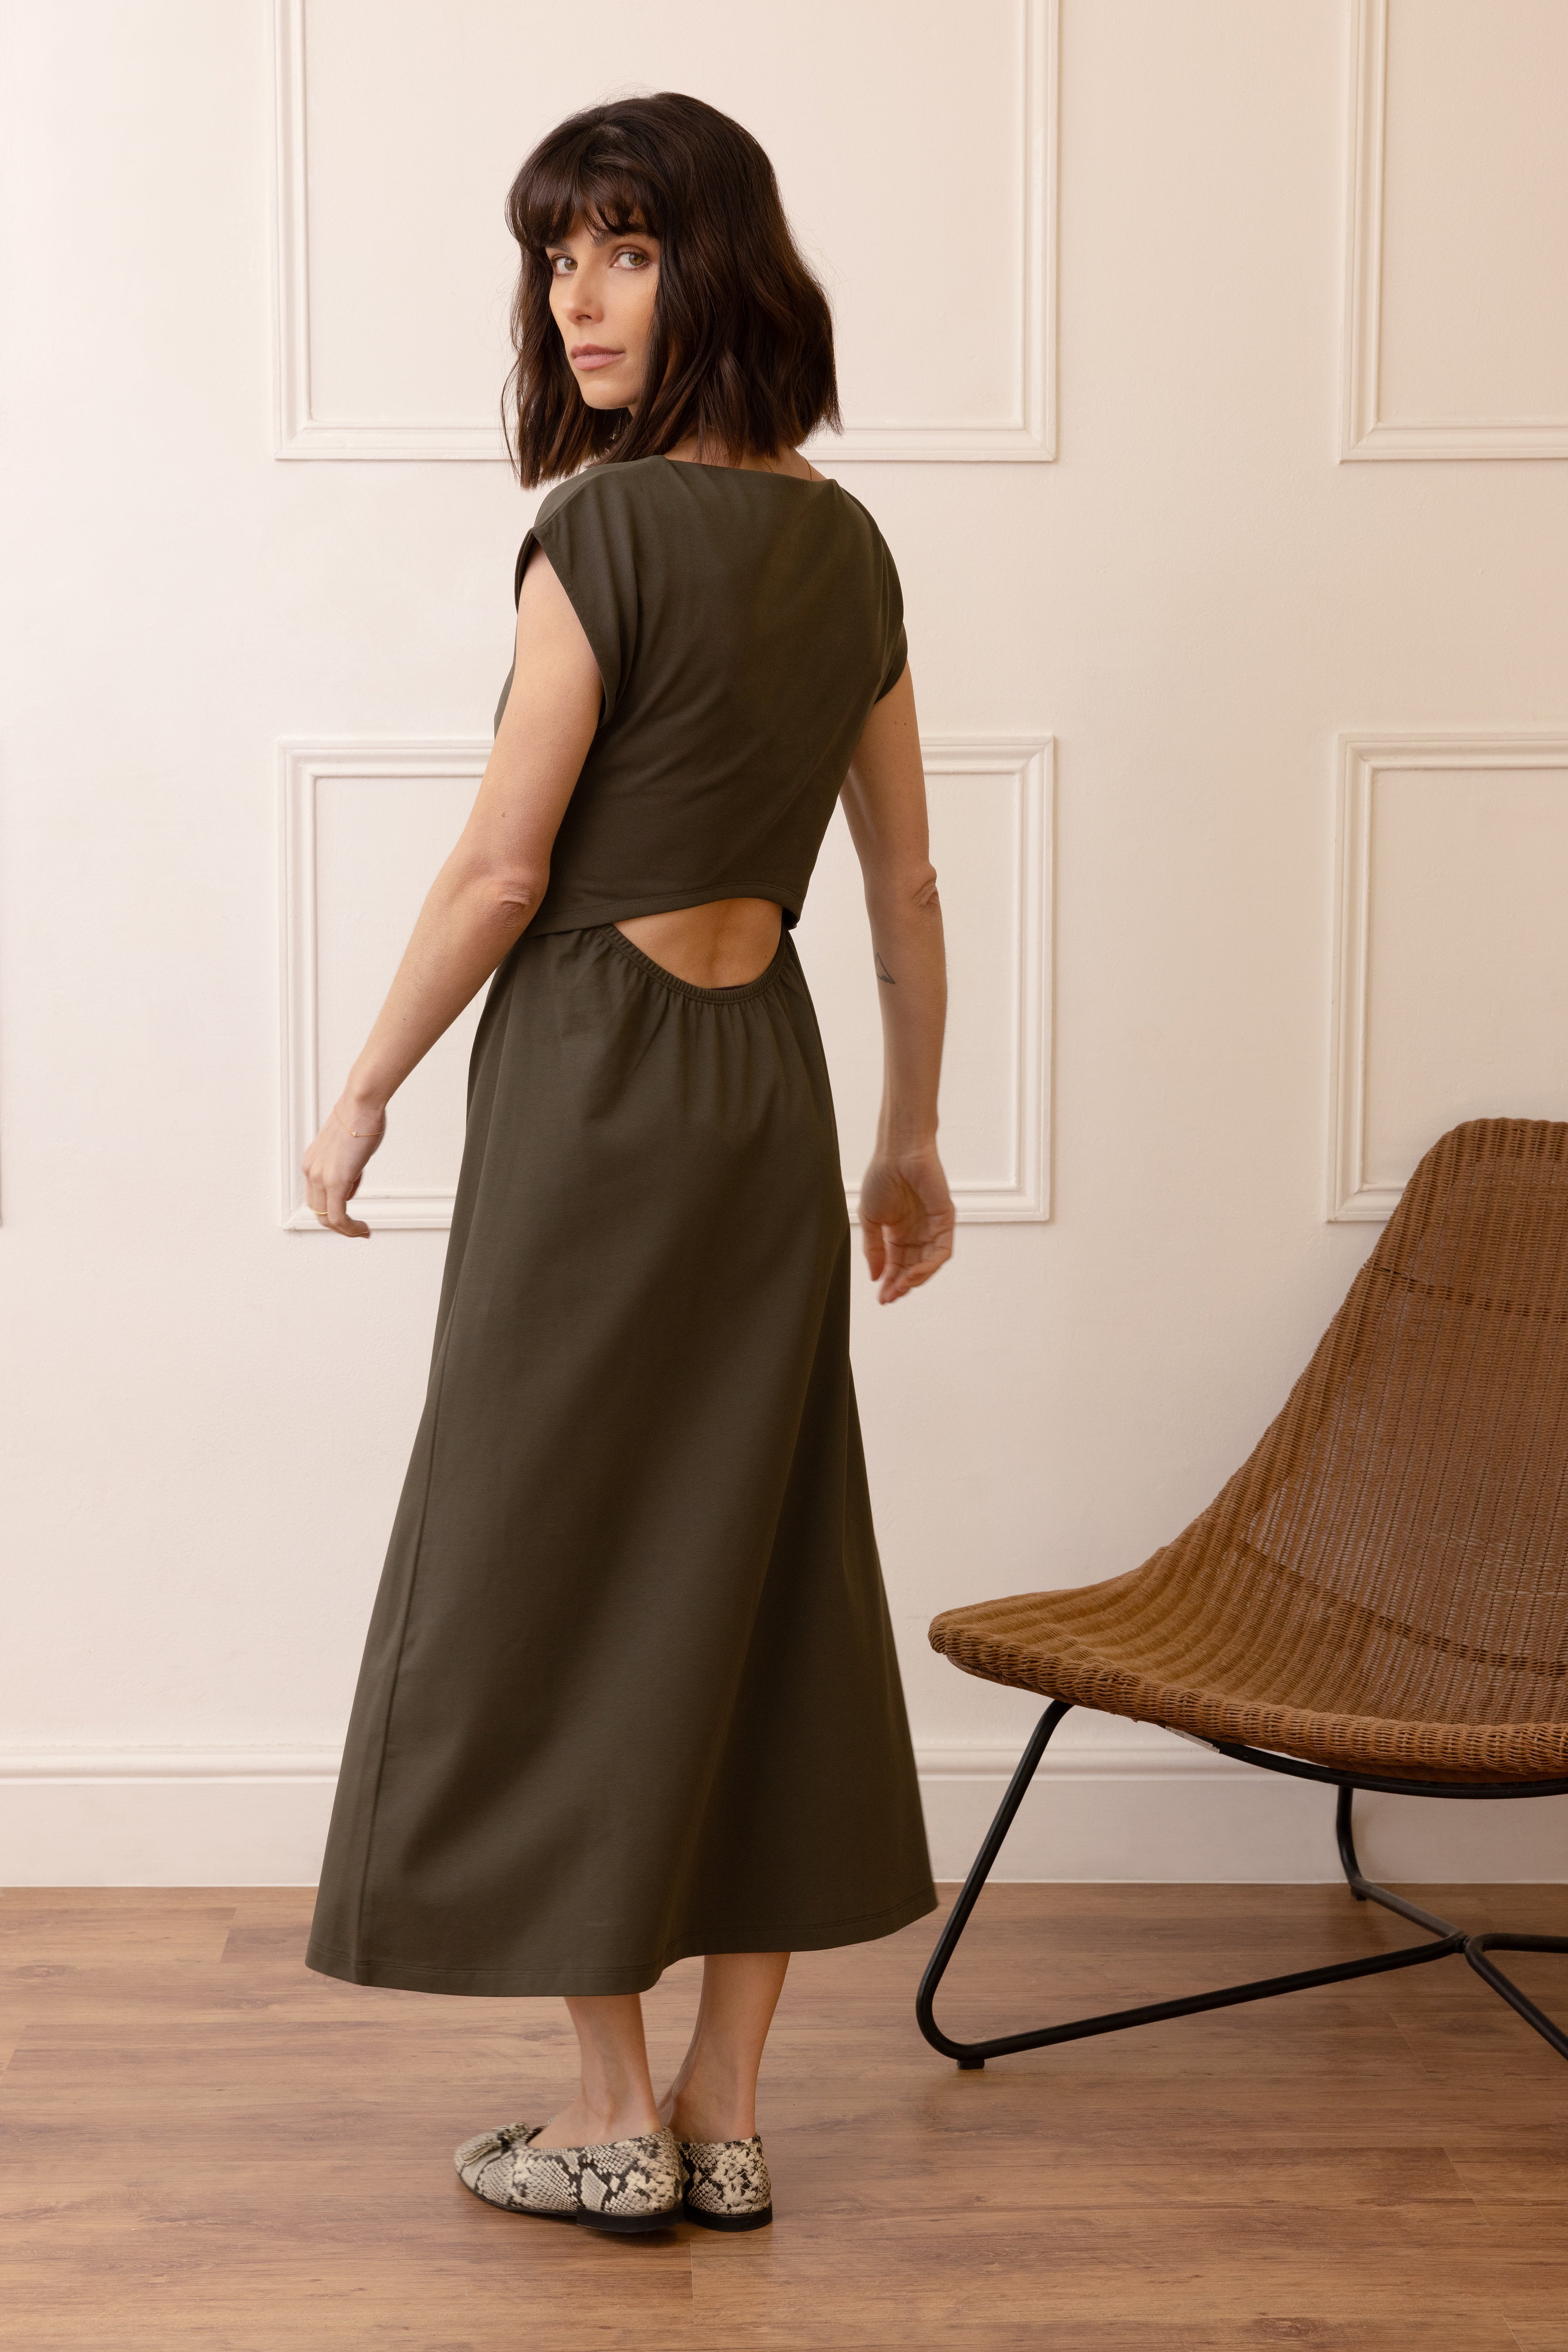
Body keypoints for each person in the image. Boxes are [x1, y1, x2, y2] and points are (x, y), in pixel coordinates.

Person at [302, 91, 953, 2238]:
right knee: (760, 1560)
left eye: (624, 249)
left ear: (716, 268)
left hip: (591, 1078)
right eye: (555, 256)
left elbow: (504, 873)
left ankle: (612, 2115)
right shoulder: (850, 551)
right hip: (764, 1083)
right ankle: (730, 2106)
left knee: (563, 1554)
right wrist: (911, 1136)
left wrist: (367, 1083)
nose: (578, 298)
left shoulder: (598, 539)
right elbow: (910, 893)